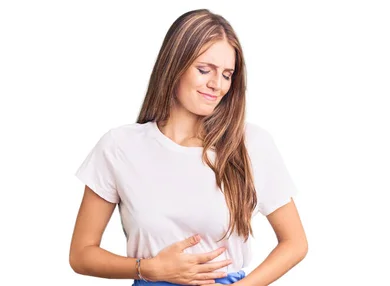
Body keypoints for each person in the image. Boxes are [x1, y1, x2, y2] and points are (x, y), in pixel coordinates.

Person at [69, 9, 308, 286]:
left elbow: (295, 242)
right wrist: (147, 268)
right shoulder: (120, 146)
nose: (216, 85)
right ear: (174, 65)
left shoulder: (249, 144)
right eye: (204, 70)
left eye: (227, 75)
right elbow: (81, 254)